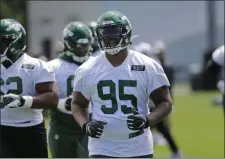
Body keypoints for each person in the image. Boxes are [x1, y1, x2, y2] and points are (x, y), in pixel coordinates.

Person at [71, 10, 172, 158]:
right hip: (101, 149)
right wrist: (85, 124)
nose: (109, 39)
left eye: (113, 33)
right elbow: (78, 103)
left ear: (127, 34)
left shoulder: (147, 65)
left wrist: (147, 120)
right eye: (105, 34)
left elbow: (165, 102)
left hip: (139, 148)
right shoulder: (87, 69)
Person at [0, 19, 59, 158]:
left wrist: (24, 101)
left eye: (3, 41)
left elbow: (52, 98)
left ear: (17, 42)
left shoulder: (36, 66)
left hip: (30, 129)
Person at [47, 21, 93, 158]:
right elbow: (42, 97)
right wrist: (62, 103)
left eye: (86, 45)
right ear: (68, 44)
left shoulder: (96, 65)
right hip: (61, 124)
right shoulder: (52, 67)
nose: (83, 49)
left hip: (88, 123)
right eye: (79, 45)